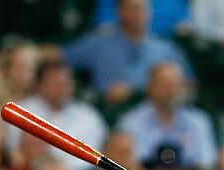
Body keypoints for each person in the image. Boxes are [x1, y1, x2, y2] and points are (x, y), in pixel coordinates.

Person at [65, 0, 193, 103]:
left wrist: (141, 92)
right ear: (120, 11)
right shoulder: (99, 42)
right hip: (110, 111)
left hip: (155, 110)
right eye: (132, 8)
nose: (138, 14)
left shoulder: (165, 48)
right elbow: (61, 57)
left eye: (142, 8)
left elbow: (189, 85)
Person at [6, 61, 108, 170]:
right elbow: (13, 152)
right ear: (40, 85)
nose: (61, 89)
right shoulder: (21, 112)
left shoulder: (89, 116)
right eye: (55, 84)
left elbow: (100, 155)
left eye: (65, 83)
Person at [117, 62, 217, 168]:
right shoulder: (131, 123)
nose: (171, 90)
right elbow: (129, 166)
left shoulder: (199, 121)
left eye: (176, 84)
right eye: (165, 84)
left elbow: (206, 163)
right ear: (150, 87)